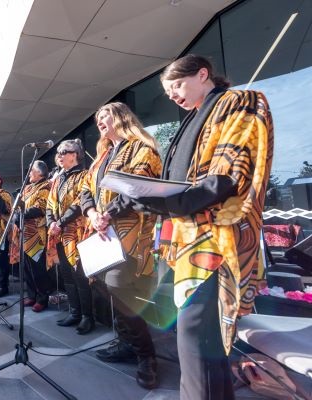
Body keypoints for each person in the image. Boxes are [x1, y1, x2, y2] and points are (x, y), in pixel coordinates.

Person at [132, 54, 273, 400]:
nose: (173, 95)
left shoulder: (238, 102)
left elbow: (229, 175)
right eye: (168, 92)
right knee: (204, 342)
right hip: (188, 238)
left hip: (216, 237)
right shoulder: (192, 120)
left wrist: (167, 201)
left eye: (177, 85)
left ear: (203, 74)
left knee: (195, 336)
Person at [80, 102, 162, 389]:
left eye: (106, 116)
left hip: (130, 232)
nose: (101, 121)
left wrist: (108, 213)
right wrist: (92, 213)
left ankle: (147, 356)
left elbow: (139, 187)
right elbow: (85, 192)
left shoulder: (141, 148)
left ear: (122, 119)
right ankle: (128, 343)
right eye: (98, 118)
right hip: (102, 233)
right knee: (101, 284)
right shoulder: (100, 158)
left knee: (117, 286)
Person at [46, 139, 93, 334]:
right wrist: (51, 223)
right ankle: (74, 313)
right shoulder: (57, 179)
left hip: (77, 233)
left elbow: (79, 202)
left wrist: (61, 222)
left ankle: (87, 317)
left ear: (75, 155)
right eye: (58, 152)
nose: (59, 155)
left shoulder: (84, 175)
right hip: (58, 234)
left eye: (64, 152)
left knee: (79, 274)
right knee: (67, 274)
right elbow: (49, 204)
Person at [9, 160, 53, 312]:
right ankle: (32, 295)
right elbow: (19, 205)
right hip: (23, 233)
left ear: (40, 173)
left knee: (37, 267)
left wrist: (20, 214)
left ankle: (42, 298)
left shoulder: (46, 186)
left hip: (36, 233)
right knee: (26, 266)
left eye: (32, 171)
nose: (29, 175)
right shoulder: (27, 188)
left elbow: (41, 207)